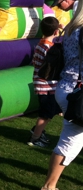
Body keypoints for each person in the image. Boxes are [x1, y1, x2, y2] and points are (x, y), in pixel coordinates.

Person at [40, 1, 83, 190]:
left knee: (72, 140)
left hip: (68, 87)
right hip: (76, 93)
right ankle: (49, 188)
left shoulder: (72, 28)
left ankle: (50, 186)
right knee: (71, 142)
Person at [29, 16, 62, 147]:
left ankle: (37, 131)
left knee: (48, 111)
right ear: (55, 32)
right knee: (45, 114)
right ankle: (35, 138)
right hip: (46, 85)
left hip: (42, 84)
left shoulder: (41, 44)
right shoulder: (50, 48)